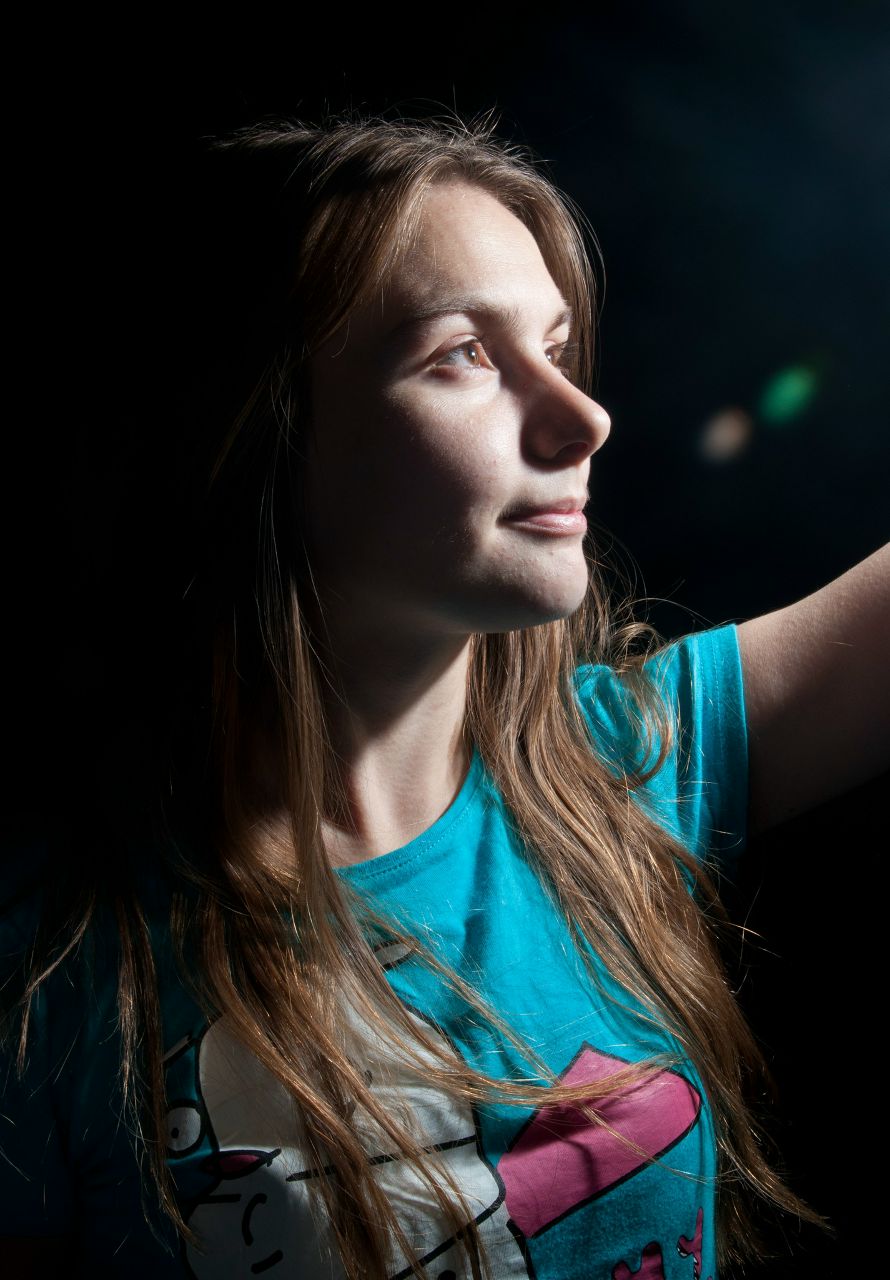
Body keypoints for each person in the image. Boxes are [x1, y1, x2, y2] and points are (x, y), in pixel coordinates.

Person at [1, 114, 887, 1280]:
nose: (582, 417)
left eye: (554, 346)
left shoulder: (625, 765)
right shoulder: (54, 958)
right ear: (252, 433)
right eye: (462, 353)